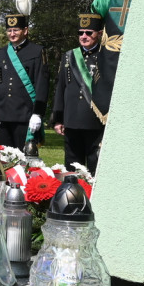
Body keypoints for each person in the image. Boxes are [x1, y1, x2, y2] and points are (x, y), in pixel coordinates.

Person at [52, 13, 105, 173]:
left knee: (95, 166)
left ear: (99, 34)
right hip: (72, 120)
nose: (84, 36)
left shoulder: (106, 56)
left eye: (89, 33)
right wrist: (58, 119)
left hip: (95, 121)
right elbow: (61, 88)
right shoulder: (69, 56)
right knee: (72, 167)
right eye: (80, 32)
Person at [0, 14, 49, 150]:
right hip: (3, 112)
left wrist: (38, 113)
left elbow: (41, 84)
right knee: (4, 157)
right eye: (9, 30)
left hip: (25, 113)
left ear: (25, 31)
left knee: (24, 159)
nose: (12, 34)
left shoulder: (37, 51)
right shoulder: (1, 53)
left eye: (16, 30)